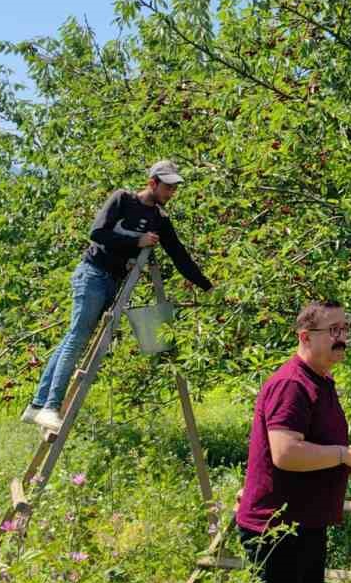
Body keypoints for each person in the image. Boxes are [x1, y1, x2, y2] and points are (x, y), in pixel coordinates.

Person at [23, 160, 213, 432]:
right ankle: (50, 407)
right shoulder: (122, 200)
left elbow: (179, 255)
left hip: (114, 281)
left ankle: (37, 405)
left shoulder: (160, 219)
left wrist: (207, 286)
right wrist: (136, 242)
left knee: (72, 337)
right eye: (167, 187)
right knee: (77, 338)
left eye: (174, 188)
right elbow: (96, 233)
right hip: (92, 274)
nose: (171, 192)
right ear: (152, 183)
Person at [234, 301, 351, 583]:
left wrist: (343, 463)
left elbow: (312, 445)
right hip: (277, 527)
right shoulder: (292, 384)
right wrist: (343, 454)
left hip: (304, 523)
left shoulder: (320, 380)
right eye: (333, 330)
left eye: (345, 329)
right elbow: (286, 452)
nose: (342, 337)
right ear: (305, 337)